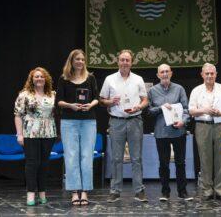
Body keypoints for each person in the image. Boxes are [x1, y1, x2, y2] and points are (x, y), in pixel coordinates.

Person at [100, 49, 148, 203]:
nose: (125, 62)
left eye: (127, 60)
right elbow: (102, 100)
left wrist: (139, 107)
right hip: (116, 121)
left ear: (131, 62)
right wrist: (110, 102)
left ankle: (139, 190)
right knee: (116, 158)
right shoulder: (109, 79)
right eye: (122, 60)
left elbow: (145, 100)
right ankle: (115, 191)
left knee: (137, 158)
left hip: (135, 120)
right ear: (118, 61)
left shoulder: (138, 79)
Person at [56, 49, 99, 206]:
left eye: (82, 59)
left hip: (88, 121)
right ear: (71, 61)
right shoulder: (63, 79)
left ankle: (85, 191)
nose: (80, 62)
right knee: (71, 156)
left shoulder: (91, 78)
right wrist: (71, 106)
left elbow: (96, 98)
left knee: (87, 156)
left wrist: (90, 105)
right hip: (68, 122)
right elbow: (58, 101)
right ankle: (74, 192)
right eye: (77, 59)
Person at [189, 63, 221, 201]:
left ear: (216, 74)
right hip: (202, 125)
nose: (209, 76)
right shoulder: (196, 90)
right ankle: (207, 190)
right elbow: (191, 110)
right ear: (202, 75)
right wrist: (205, 110)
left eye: (212, 73)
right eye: (207, 73)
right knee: (205, 158)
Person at [148, 64, 193, 201]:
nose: (165, 74)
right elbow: (149, 112)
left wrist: (183, 122)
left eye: (167, 71)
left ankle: (182, 192)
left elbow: (186, 110)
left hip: (178, 131)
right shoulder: (152, 91)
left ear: (171, 73)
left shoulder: (179, 89)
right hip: (161, 133)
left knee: (180, 163)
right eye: (162, 72)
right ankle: (165, 192)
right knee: (163, 163)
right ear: (158, 75)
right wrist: (161, 108)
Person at [14, 67, 57, 206]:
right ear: (32, 79)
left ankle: (42, 193)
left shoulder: (53, 95)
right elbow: (17, 115)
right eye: (36, 76)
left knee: (44, 164)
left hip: (49, 132)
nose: (39, 78)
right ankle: (31, 193)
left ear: (46, 79)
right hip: (30, 132)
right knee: (32, 164)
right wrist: (19, 134)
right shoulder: (24, 95)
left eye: (42, 76)